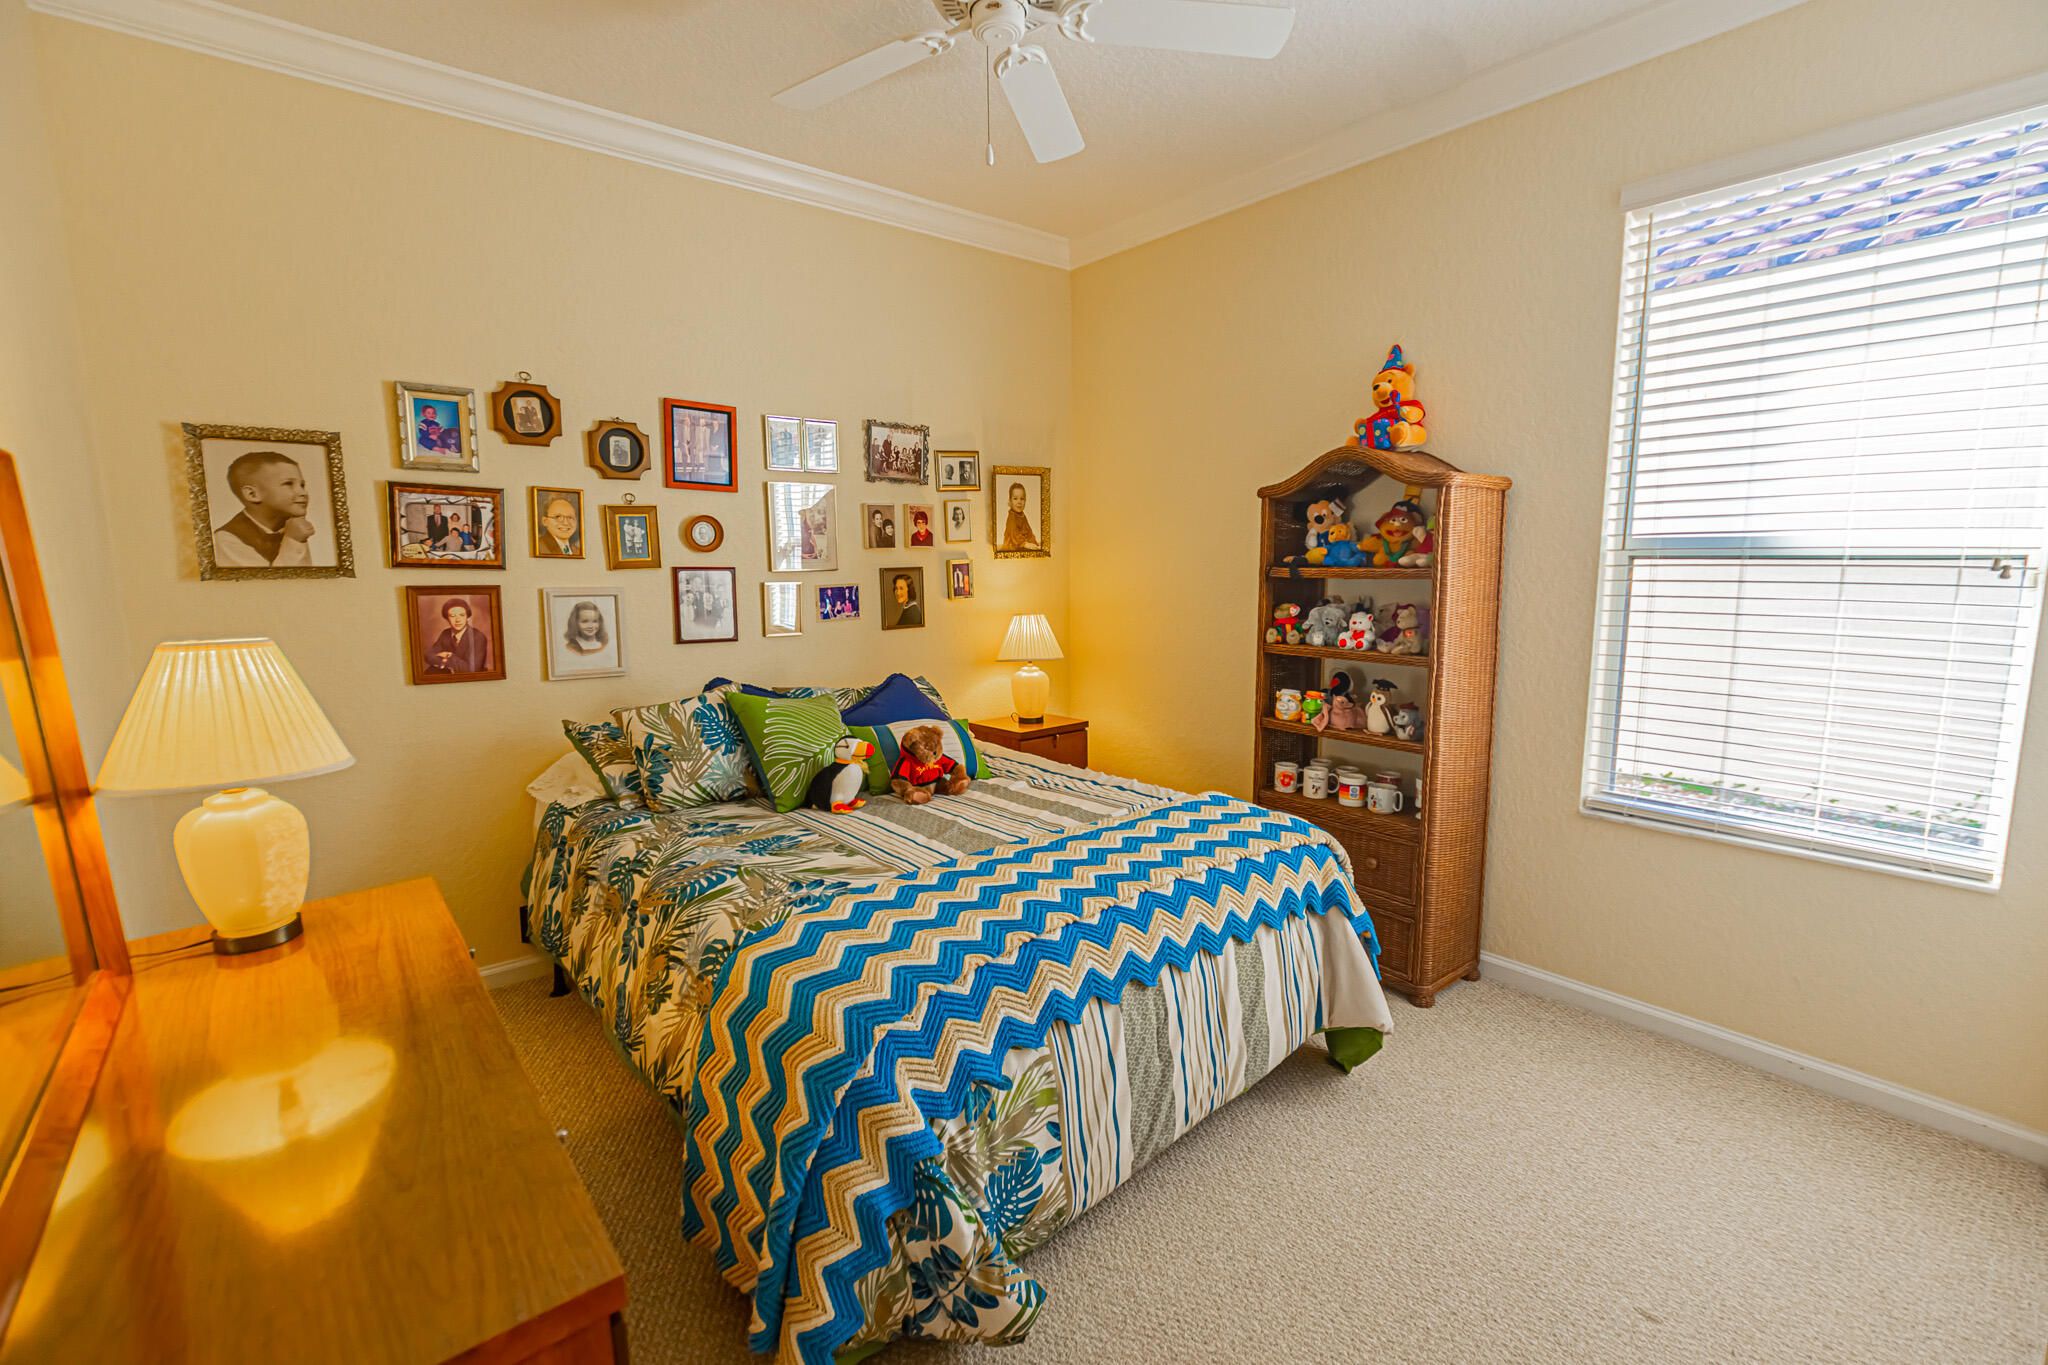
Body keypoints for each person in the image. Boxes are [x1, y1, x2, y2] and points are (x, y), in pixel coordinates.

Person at [213, 449, 317, 568]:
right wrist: (294, 541)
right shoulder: (227, 540)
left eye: (302, 485)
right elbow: (272, 580)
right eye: (288, 484)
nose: (303, 492)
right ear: (252, 494)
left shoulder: (292, 526)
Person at [425, 598, 491, 674]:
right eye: (452, 616)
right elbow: (428, 655)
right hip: (449, 675)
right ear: (447, 619)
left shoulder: (478, 637)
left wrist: (450, 656)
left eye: (462, 615)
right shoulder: (445, 633)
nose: (458, 620)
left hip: (471, 678)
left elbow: (471, 669)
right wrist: (445, 662)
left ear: (467, 617)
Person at [1001, 481, 1040, 551]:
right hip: (1012, 547)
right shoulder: (1011, 517)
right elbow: (1014, 535)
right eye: (1015, 498)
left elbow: (1029, 532)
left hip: (1021, 545)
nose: (1019, 502)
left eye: (1022, 499)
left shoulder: (1023, 516)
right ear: (1010, 501)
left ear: (1025, 501)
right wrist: (1024, 544)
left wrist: (1035, 544)